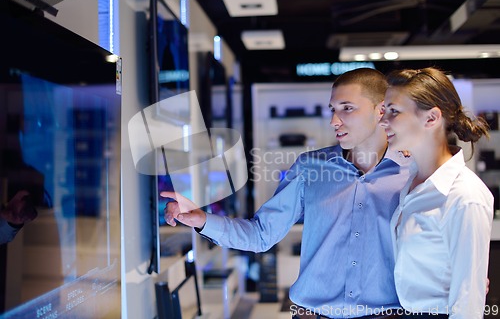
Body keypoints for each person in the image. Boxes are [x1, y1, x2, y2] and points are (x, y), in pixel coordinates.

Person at [163, 67, 412, 319]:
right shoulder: (309, 167)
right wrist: (202, 219)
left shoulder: (412, 173)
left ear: (381, 110)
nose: (334, 121)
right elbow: (261, 235)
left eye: (347, 108)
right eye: (333, 110)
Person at [379, 67, 493, 319]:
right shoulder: (412, 179)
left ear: (431, 118)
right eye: (384, 111)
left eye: (394, 111)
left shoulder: (464, 196)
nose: (383, 120)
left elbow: (468, 301)